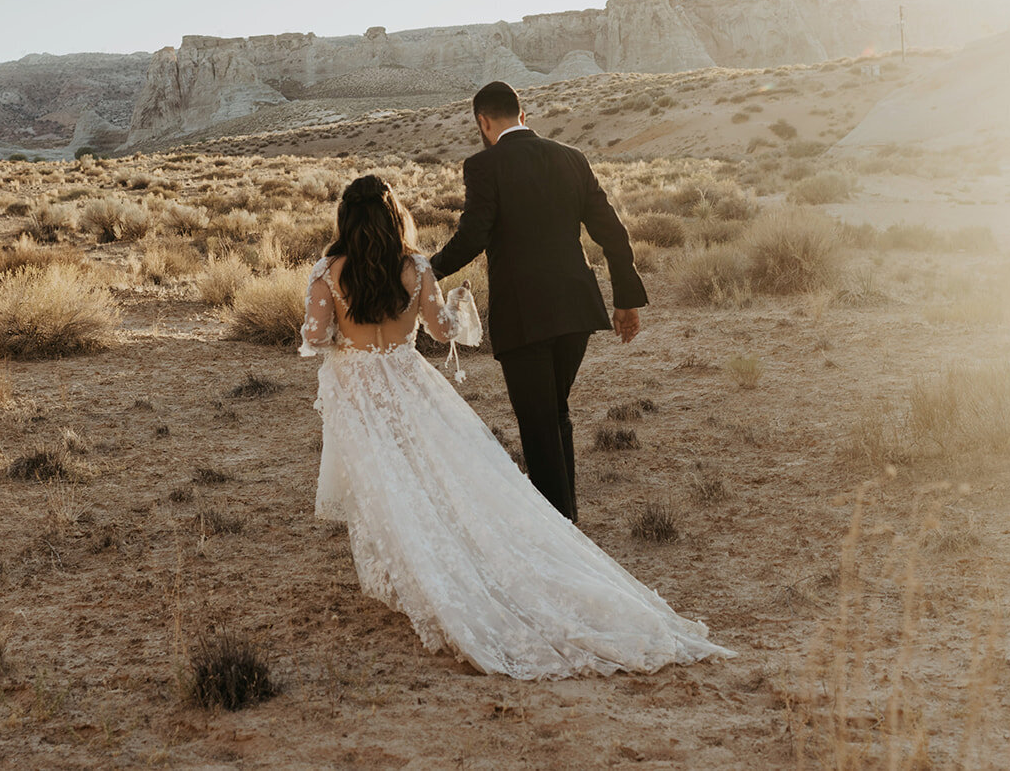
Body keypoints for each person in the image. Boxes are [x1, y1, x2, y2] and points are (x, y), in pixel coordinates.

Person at [300, 174, 732, 678]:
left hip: (359, 394)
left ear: (345, 218)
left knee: (388, 482)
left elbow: (313, 336)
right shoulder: (415, 268)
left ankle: (417, 574)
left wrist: (344, 329)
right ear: (394, 216)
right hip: (409, 386)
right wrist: (458, 305)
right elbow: (443, 333)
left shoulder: (328, 272)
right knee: (433, 474)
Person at [429, 80, 645, 523]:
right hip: (577, 308)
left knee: (539, 421)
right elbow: (612, 232)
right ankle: (566, 520)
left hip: (524, 314)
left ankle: (559, 530)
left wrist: (423, 272)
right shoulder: (572, 158)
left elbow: (473, 235)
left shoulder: (484, 165)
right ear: (522, 116)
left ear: (483, 122)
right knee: (554, 412)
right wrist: (626, 298)